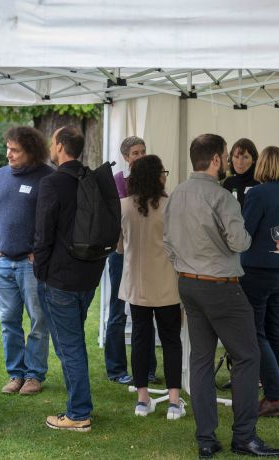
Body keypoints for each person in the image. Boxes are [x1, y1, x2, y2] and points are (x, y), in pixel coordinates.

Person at [163, 134, 279, 458]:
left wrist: (185, 265)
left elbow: (167, 242)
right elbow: (240, 242)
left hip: (188, 282)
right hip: (221, 285)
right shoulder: (223, 197)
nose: (229, 161)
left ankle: (206, 438)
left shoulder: (175, 194)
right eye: (227, 156)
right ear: (216, 160)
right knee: (247, 356)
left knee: (201, 360)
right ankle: (244, 436)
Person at [34, 126, 106, 432]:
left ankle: (78, 413)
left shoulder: (53, 183)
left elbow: (43, 232)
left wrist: (40, 270)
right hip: (88, 275)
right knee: (70, 344)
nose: (51, 147)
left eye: (52, 142)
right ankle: (79, 402)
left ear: (61, 147)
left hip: (60, 279)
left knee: (70, 346)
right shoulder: (93, 179)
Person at [0, 126, 53, 395]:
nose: (8, 154)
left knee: (38, 320)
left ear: (31, 151)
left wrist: (40, 250)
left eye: (15, 150)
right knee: (9, 320)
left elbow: (54, 219)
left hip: (30, 264)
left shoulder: (47, 178)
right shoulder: (0, 177)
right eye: (8, 148)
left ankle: (34, 375)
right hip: (3, 262)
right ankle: (16, 374)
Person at [117, 155, 185, 419]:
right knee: (171, 341)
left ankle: (142, 398)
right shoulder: (171, 206)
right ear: (158, 176)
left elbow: (120, 247)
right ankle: (174, 400)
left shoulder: (123, 206)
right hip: (167, 283)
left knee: (140, 340)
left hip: (137, 284)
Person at [240, 146, 279, 418]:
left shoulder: (257, 193)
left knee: (256, 331)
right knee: (276, 330)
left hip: (257, 270)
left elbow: (245, 232)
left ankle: (274, 396)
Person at [105, 135, 158, 385]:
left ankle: (147, 370)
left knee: (146, 310)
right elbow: (122, 212)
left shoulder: (154, 181)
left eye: (143, 151)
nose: (140, 156)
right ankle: (116, 369)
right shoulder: (118, 181)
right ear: (126, 157)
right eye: (135, 153)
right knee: (118, 312)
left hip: (147, 253)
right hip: (121, 253)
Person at [222, 138, 259, 208]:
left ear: (253, 159)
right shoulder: (228, 183)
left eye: (245, 157)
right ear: (231, 158)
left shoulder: (259, 183)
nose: (240, 162)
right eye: (236, 157)